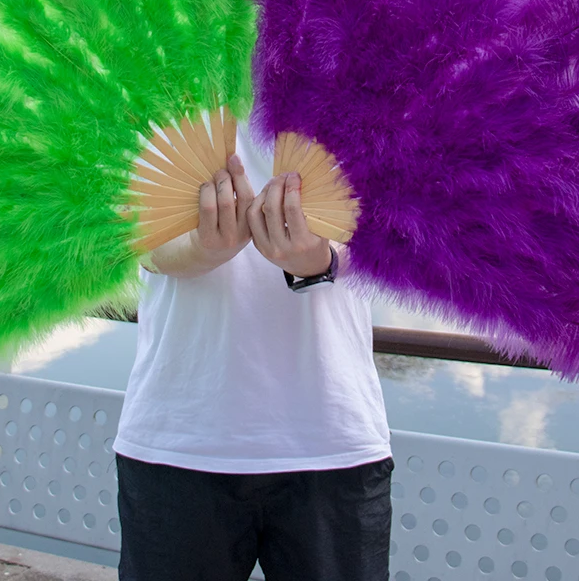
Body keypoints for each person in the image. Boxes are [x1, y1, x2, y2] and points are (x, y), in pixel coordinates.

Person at [113, 126, 393, 581]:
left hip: (331, 437)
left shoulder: (369, 77)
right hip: (179, 435)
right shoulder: (159, 73)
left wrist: (324, 261)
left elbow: (401, 223)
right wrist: (200, 249)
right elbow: (137, 234)